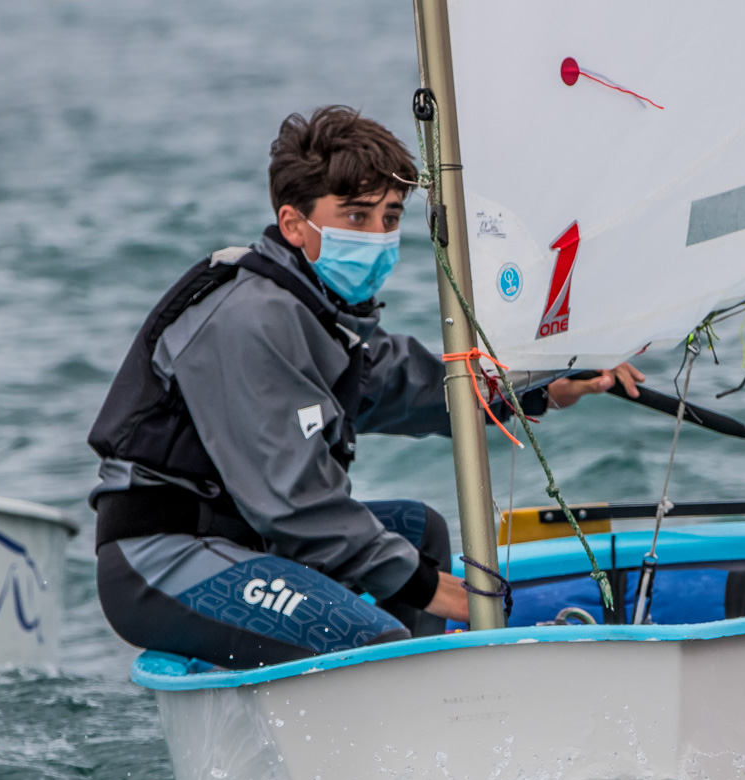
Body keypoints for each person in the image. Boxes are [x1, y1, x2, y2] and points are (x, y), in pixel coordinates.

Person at [88, 106, 641, 669]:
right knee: (376, 643)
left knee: (418, 532)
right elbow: (295, 506)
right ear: (293, 224)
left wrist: (545, 381)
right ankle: (403, 692)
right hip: (160, 559)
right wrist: (432, 589)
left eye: (390, 217)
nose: (378, 237)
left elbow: (417, 386)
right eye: (356, 216)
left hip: (247, 541)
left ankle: (429, 695)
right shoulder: (250, 320)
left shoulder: (318, 316)